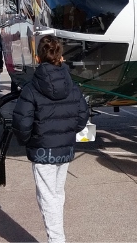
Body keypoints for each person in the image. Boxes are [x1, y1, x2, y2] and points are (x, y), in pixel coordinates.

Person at [12, 36, 89, 243]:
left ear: (38, 58)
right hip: (64, 149)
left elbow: (21, 122)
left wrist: (28, 140)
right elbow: (83, 116)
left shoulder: (31, 88)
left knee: (48, 197)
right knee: (57, 194)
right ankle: (57, 237)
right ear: (61, 56)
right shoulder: (72, 85)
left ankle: (57, 239)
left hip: (42, 150)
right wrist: (68, 132)